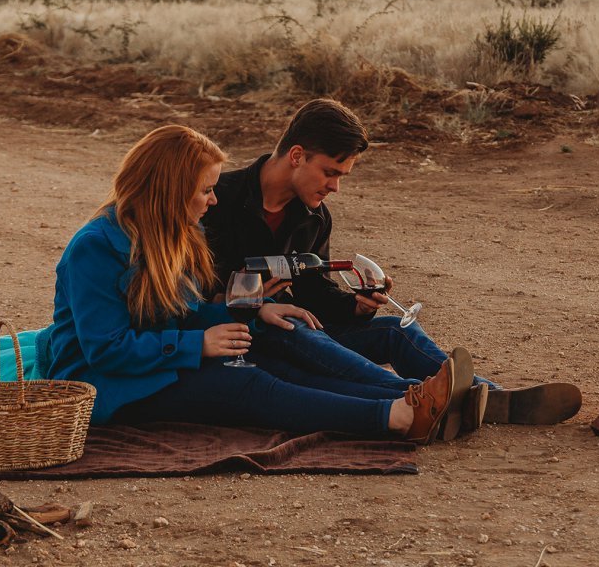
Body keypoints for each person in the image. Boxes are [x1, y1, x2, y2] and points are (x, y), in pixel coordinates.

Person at [39, 124, 468, 445]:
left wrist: (251, 311)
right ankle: (397, 418)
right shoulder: (95, 247)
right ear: (171, 190)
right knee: (241, 382)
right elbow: (104, 349)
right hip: (102, 383)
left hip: (154, 360)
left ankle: (417, 399)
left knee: (273, 355)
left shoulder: (181, 234)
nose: (214, 199)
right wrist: (198, 345)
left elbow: (182, 313)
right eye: (205, 189)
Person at [202, 99, 581, 440]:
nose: (335, 187)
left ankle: (492, 398)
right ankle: (424, 398)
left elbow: (314, 294)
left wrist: (358, 304)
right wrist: (252, 303)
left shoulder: (314, 218)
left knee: (394, 332)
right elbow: (193, 294)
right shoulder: (217, 200)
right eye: (330, 172)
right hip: (244, 333)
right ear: (297, 155)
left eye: (341, 176)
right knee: (293, 326)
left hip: (297, 325)